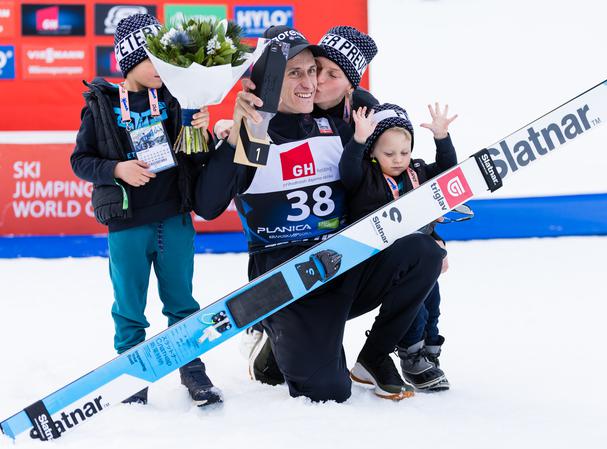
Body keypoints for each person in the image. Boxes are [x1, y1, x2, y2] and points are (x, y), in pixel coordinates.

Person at [195, 26, 444, 401]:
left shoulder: (340, 125)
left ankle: (374, 357)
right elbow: (208, 206)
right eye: (295, 72)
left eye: (313, 71)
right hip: (290, 281)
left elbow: (396, 172)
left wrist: (433, 227)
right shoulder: (257, 131)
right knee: (329, 393)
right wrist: (233, 133)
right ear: (269, 79)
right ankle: (273, 341)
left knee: (424, 253)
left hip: (345, 263)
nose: (310, 82)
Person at [70, 13, 221, 407]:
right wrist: (116, 169)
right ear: (129, 61)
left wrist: (201, 129)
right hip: (127, 224)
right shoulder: (101, 104)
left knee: (182, 302)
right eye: (152, 61)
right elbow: (80, 160)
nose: (161, 70)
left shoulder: (175, 101)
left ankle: (192, 368)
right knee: (129, 306)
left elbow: (197, 155)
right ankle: (131, 373)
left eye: (166, 61)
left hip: (173, 217)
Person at [340, 102, 458, 391]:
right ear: (372, 152)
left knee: (432, 300)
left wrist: (442, 139)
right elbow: (347, 171)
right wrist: (358, 140)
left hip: (418, 257)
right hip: (381, 264)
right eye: (388, 153)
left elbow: (447, 171)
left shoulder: (416, 171)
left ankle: (430, 349)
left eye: (404, 152)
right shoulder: (366, 177)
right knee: (413, 304)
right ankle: (410, 353)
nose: (398, 160)